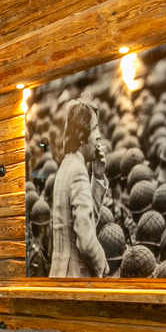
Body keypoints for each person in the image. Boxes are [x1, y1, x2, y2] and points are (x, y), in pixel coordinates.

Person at [47, 99, 110, 277]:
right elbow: (86, 242)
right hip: (74, 275)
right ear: (82, 136)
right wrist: (103, 265)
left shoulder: (67, 165)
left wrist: (98, 176)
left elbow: (85, 223)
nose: (99, 136)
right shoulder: (78, 172)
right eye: (95, 128)